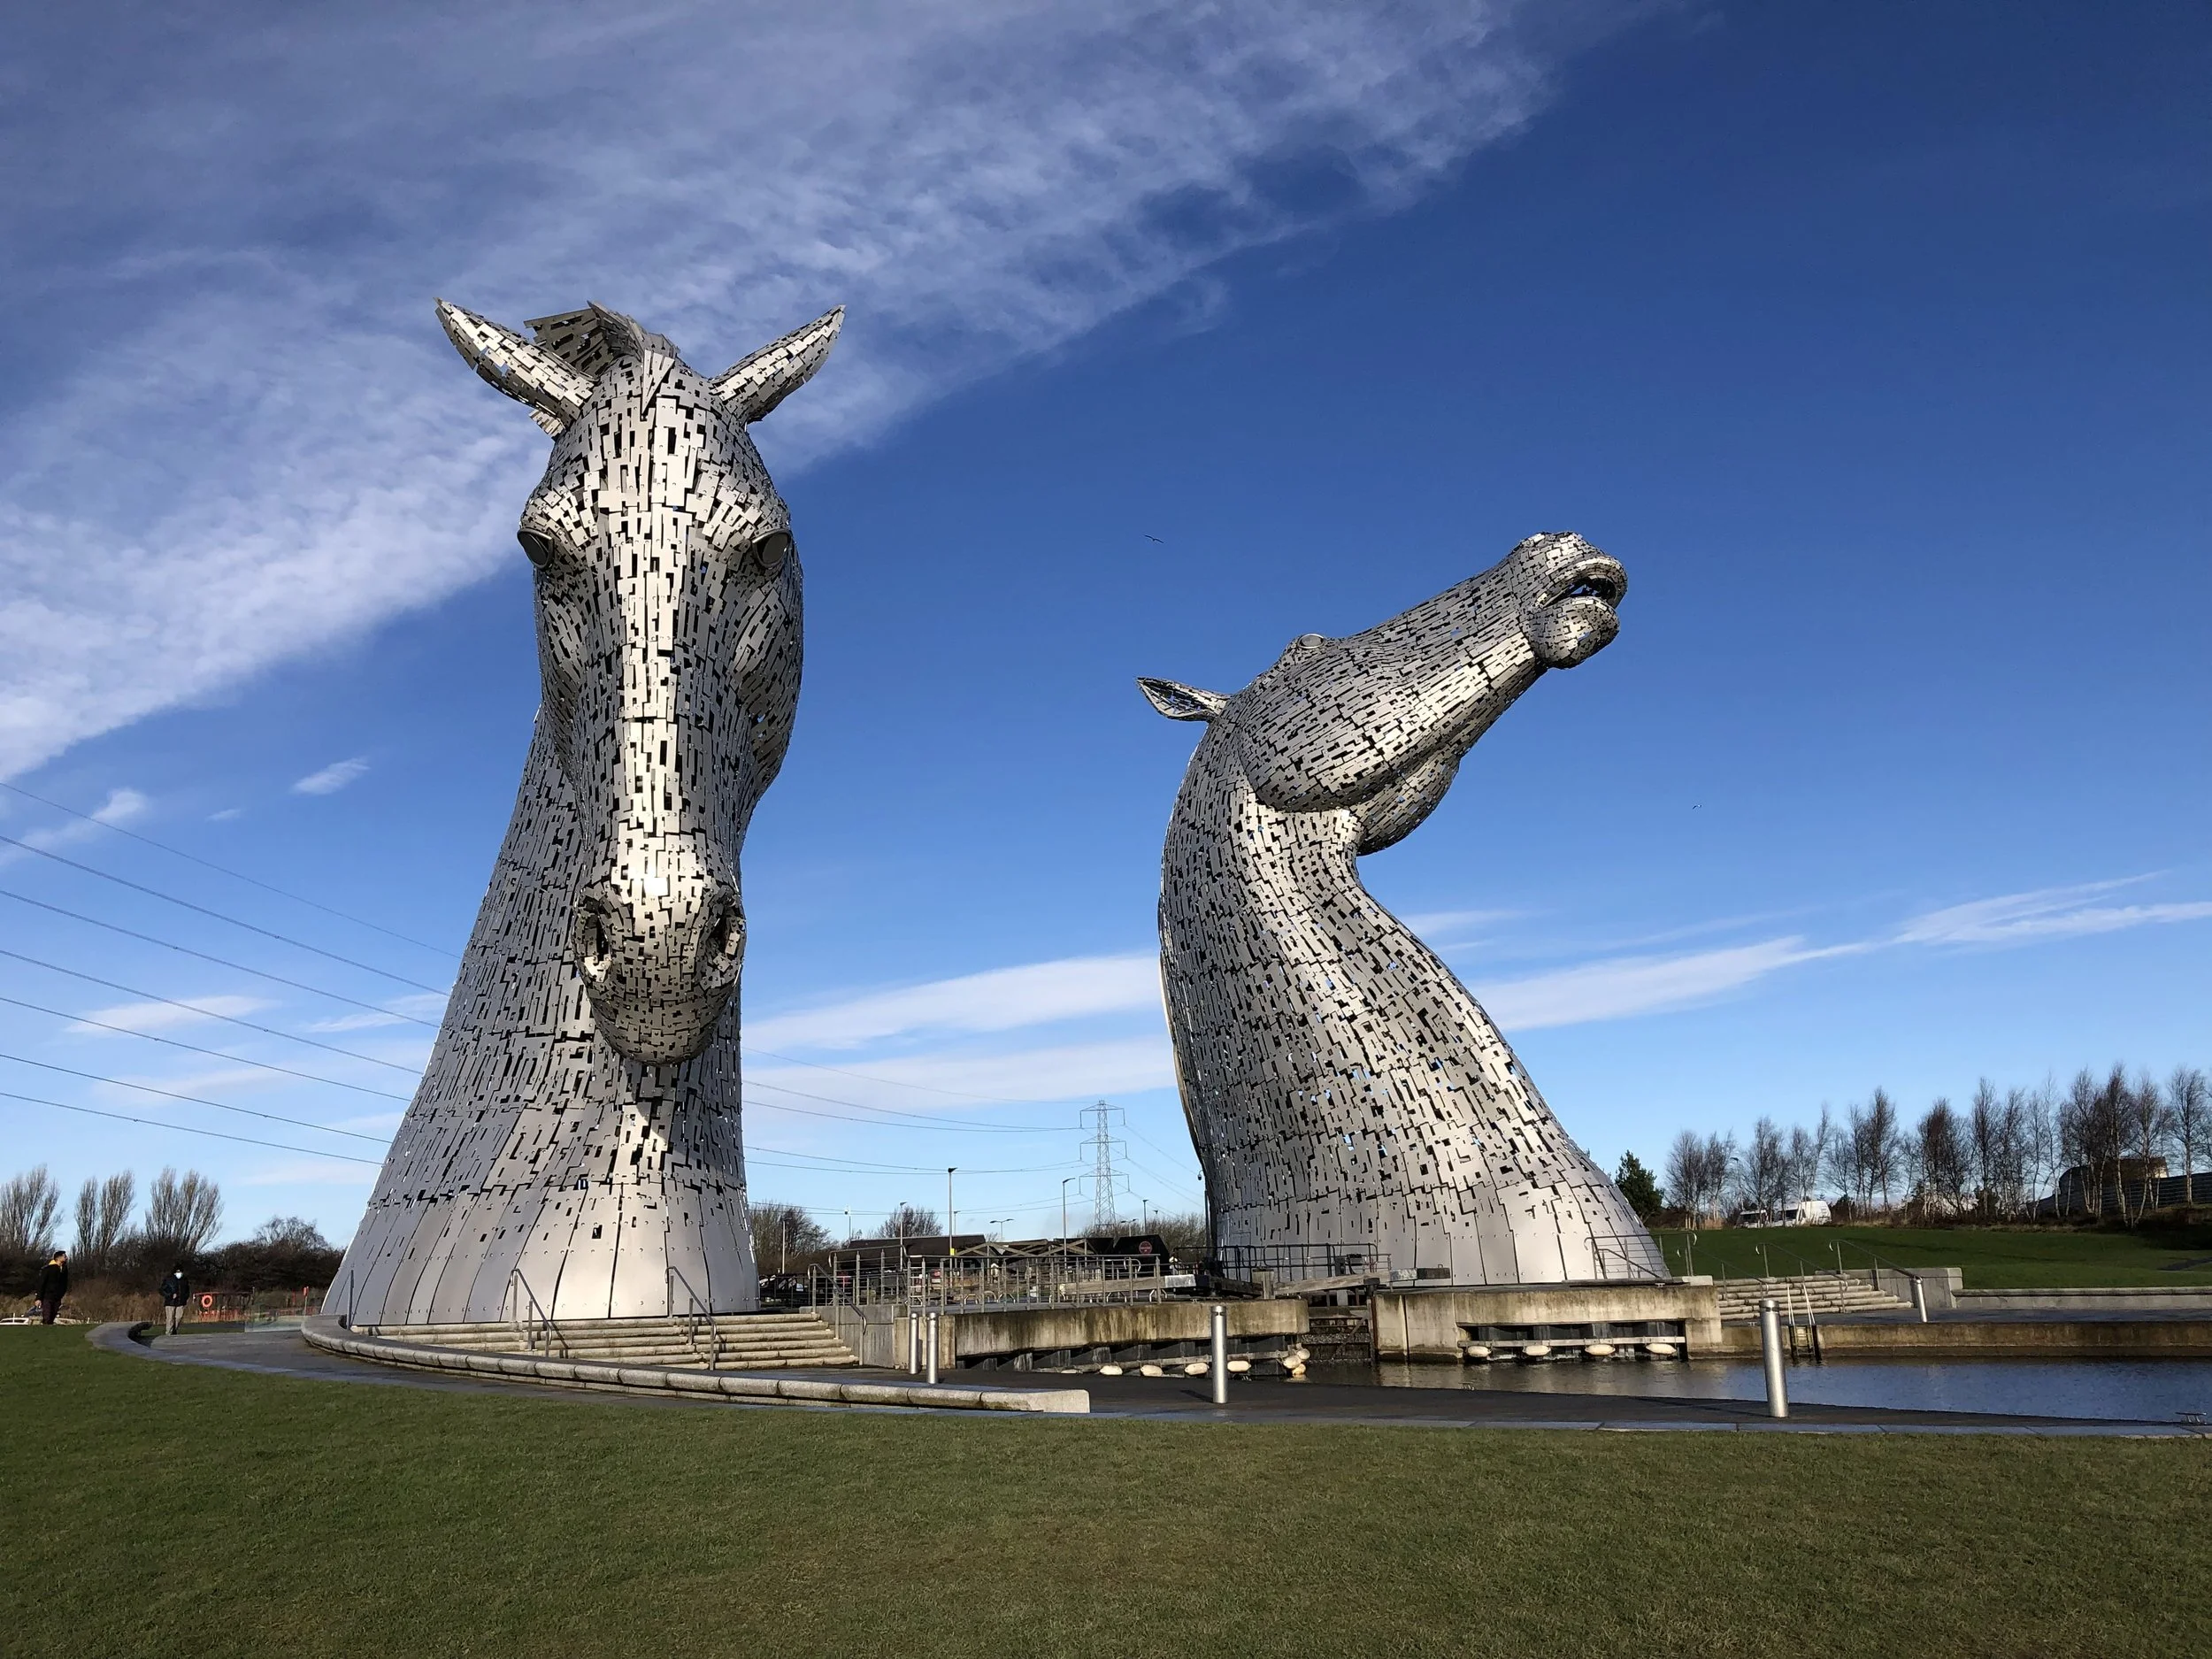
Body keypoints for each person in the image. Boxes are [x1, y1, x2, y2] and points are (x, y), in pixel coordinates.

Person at [35, 1251, 67, 1325]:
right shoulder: (47, 1269)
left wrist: (61, 1294)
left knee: (53, 1315)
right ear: (58, 1258)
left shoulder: (64, 1270)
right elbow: (41, 1283)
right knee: (47, 1316)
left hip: (57, 1297)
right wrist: (38, 1298)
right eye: (65, 1256)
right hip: (47, 1296)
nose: (66, 1258)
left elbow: (64, 1284)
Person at [159, 1264, 191, 1335]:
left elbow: (187, 1290)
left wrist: (185, 1297)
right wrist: (170, 1295)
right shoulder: (168, 1279)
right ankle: (168, 1333)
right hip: (170, 1302)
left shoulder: (184, 1280)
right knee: (170, 1318)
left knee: (179, 1317)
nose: (179, 1274)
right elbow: (162, 1290)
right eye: (177, 1272)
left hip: (181, 1302)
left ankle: (174, 1330)